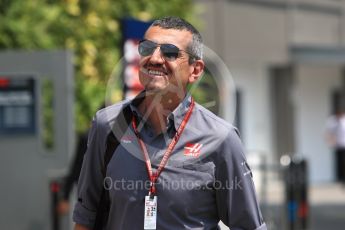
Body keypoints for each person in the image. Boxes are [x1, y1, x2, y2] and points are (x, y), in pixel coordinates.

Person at [73, 16, 266, 230]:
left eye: (170, 52)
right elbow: (85, 217)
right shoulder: (107, 125)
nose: (154, 58)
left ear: (195, 70)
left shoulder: (221, 139)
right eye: (147, 48)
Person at [326, 108, 345, 184]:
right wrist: (331, 141)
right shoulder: (332, 120)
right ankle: (341, 178)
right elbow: (329, 132)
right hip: (339, 146)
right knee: (340, 162)